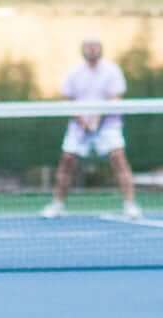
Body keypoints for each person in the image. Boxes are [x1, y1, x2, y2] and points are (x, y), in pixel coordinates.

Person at [40, 37, 141, 220]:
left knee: (118, 158)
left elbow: (115, 98)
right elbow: (68, 100)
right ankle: (58, 204)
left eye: (95, 46)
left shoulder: (112, 70)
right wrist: (83, 120)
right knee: (67, 160)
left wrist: (97, 118)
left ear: (101, 49)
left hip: (108, 124)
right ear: (83, 50)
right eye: (89, 47)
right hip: (79, 126)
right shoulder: (74, 72)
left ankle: (130, 205)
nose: (92, 50)